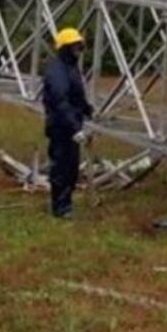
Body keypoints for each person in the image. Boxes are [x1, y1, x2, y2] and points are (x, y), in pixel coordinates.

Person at [41, 28, 94, 219]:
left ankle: (66, 204)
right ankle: (60, 208)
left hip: (71, 125)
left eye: (80, 47)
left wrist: (87, 109)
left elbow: (76, 95)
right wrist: (74, 128)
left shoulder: (71, 68)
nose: (79, 51)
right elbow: (60, 101)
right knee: (61, 168)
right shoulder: (57, 71)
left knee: (71, 168)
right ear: (65, 48)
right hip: (61, 127)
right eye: (75, 47)